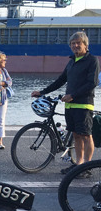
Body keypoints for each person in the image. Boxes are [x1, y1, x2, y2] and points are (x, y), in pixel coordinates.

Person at [32, 31, 99, 176]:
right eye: (73, 44)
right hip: (70, 106)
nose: (75, 46)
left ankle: (87, 167)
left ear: (85, 45)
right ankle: (79, 166)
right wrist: (42, 92)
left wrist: (72, 95)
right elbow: (61, 80)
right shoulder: (71, 62)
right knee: (76, 136)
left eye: (78, 43)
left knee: (86, 136)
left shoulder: (92, 60)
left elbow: (92, 83)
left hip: (84, 105)